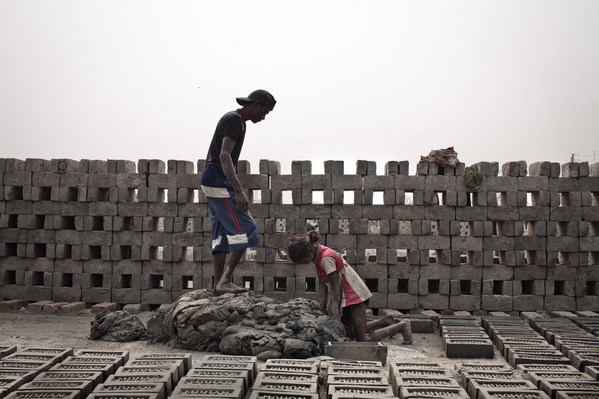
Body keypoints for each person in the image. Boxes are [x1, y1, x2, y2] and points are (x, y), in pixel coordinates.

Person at [201, 89, 276, 295]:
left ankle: (218, 286)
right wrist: (238, 190)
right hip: (217, 178)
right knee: (247, 229)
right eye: (265, 112)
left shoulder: (233, 118)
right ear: (256, 105)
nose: (263, 117)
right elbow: (225, 156)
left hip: (210, 178)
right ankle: (224, 281)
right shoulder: (235, 120)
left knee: (221, 234)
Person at [287, 230, 413, 344]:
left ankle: (402, 325)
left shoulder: (326, 259)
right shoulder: (317, 257)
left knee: (363, 339)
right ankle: (386, 321)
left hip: (355, 296)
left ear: (308, 251)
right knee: (348, 332)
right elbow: (322, 286)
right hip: (346, 299)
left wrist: (335, 318)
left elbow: (335, 290)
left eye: (304, 261)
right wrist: (322, 309)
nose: (306, 263)